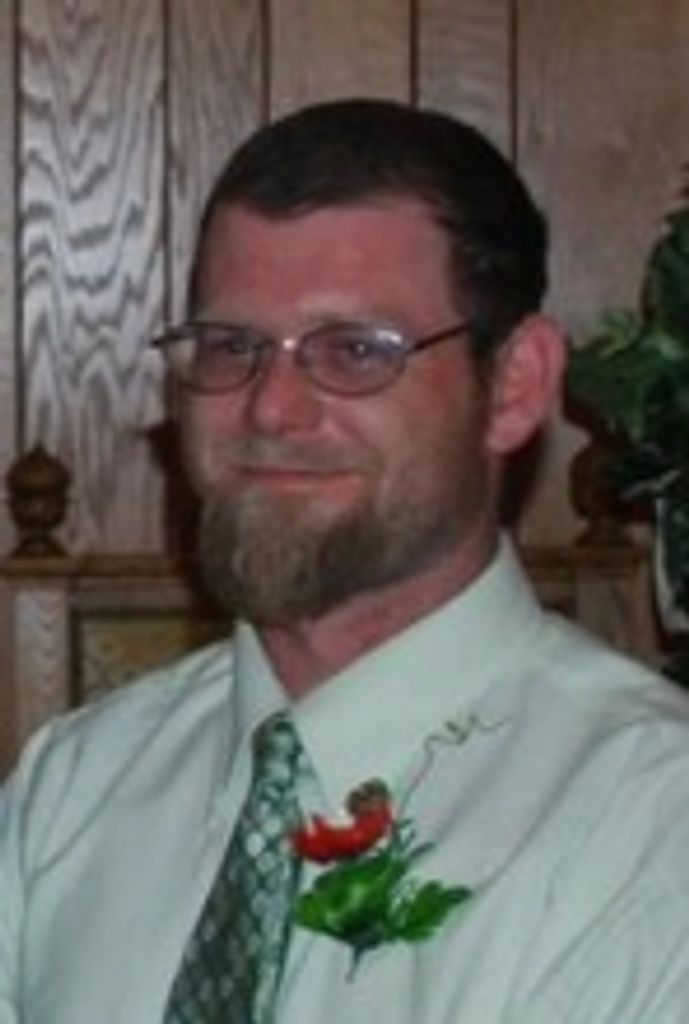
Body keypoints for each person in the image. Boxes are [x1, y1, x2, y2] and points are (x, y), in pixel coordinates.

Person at [1, 98, 689, 1024]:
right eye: (231, 346)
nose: (270, 409)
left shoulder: (649, 827)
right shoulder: (75, 788)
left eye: (357, 350)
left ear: (513, 386)